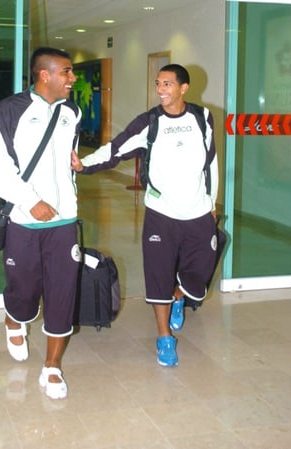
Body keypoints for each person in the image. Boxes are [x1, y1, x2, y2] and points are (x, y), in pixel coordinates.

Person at [71, 64, 219, 366]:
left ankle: (179, 296)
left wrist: (212, 202)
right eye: (158, 83)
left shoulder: (202, 118)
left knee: (200, 272)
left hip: (198, 211)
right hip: (161, 213)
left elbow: (211, 162)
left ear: (183, 88)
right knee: (158, 273)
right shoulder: (149, 122)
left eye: (167, 84)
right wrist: (84, 164)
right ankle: (164, 337)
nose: (161, 89)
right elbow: (115, 148)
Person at [0, 47, 81, 399]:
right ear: (46, 75)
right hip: (24, 221)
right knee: (23, 289)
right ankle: (15, 320)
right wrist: (32, 201)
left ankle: (52, 367)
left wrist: (74, 164)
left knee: (62, 293)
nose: (73, 78)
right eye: (67, 72)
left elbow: (64, 153)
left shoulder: (72, 111)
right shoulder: (10, 111)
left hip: (65, 220)